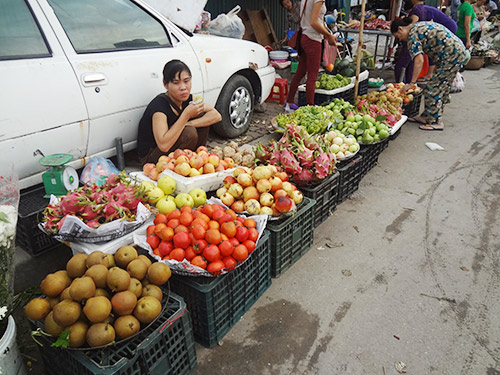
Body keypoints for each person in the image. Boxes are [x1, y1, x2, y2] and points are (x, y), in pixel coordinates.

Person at [137, 60, 222, 164]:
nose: (183, 87)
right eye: (176, 83)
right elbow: (163, 145)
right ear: (165, 84)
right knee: (189, 132)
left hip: (173, 150)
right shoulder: (159, 107)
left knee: (201, 116)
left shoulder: (188, 99)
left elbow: (216, 116)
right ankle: (181, 164)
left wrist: (188, 123)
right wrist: (186, 115)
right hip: (152, 157)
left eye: (186, 81)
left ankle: (196, 159)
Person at [391, 18, 467, 131]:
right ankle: (427, 116)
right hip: (455, 52)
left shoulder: (412, 35)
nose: (401, 39)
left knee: (434, 87)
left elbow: (419, 60)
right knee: (440, 85)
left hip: (451, 55)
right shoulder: (417, 26)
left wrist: (412, 82)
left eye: (398, 36)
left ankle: (436, 122)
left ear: (400, 29)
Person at [285, 0, 337, 112]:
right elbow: (314, 22)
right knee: (312, 76)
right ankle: (310, 107)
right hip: (313, 40)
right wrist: (328, 35)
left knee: (300, 73)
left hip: (305, 37)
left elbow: (318, 20)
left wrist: (328, 34)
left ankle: (289, 103)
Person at [394, 0, 458, 82]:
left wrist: (412, 82)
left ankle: (426, 77)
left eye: (397, 36)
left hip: (450, 45)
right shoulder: (421, 9)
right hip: (450, 46)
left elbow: (411, 27)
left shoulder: (416, 14)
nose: (399, 39)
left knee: (402, 64)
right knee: (411, 62)